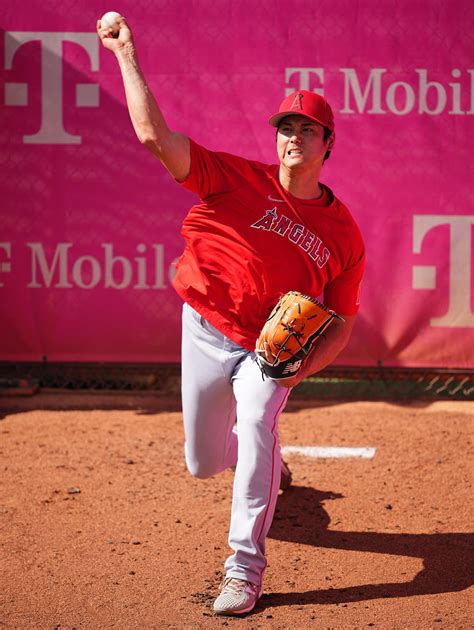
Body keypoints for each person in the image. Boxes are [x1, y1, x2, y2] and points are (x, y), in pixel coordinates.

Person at [97, 16, 365, 616]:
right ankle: (269, 460)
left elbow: (343, 320)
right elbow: (153, 137)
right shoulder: (234, 178)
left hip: (268, 353)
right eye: (286, 128)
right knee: (202, 462)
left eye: (308, 129)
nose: (294, 137)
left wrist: (300, 372)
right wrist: (125, 52)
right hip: (205, 329)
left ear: (329, 143)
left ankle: (243, 569)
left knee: (260, 420)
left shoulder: (345, 233)